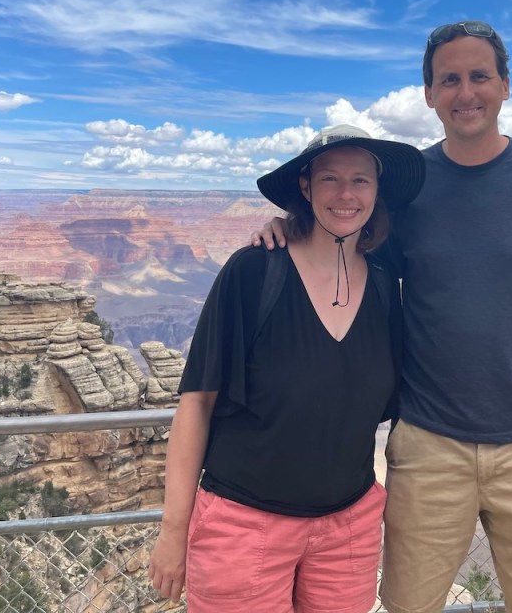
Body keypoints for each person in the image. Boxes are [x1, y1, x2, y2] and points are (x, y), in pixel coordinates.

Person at [256, 21, 512, 613]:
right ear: (430, 95)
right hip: (429, 443)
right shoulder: (410, 188)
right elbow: (350, 247)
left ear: (505, 86)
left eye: (479, 76)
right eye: (450, 80)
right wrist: (292, 225)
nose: (466, 92)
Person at [149, 124, 425, 613]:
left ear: (377, 191)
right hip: (245, 526)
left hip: (350, 531)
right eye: (329, 180)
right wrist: (175, 532)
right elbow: (196, 403)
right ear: (305, 188)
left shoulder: (385, 288)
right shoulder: (254, 272)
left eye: (360, 180)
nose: (346, 194)